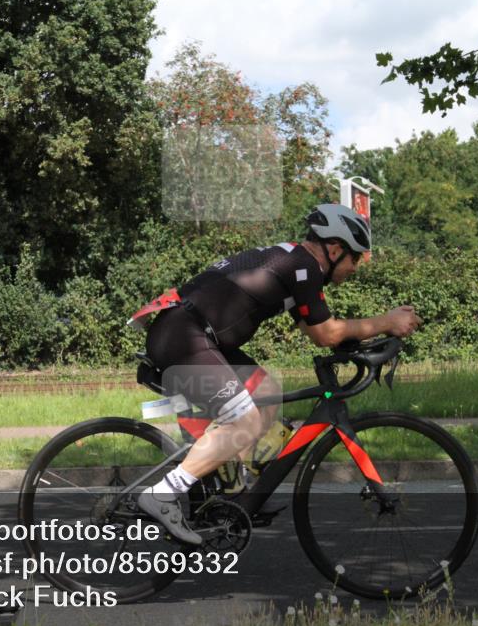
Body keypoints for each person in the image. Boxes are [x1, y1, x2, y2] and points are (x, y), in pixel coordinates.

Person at [133, 204, 423, 544]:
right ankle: (164, 493)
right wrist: (386, 322)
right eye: (354, 258)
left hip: (194, 334)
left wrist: (369, 339)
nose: (355, 268)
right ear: (334, 249)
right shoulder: (303, 267)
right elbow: (327, 333)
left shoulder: (293, 263)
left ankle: (233, 493)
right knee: (244, 420)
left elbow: (317, 332)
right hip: (185, 337)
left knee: (266, 393)